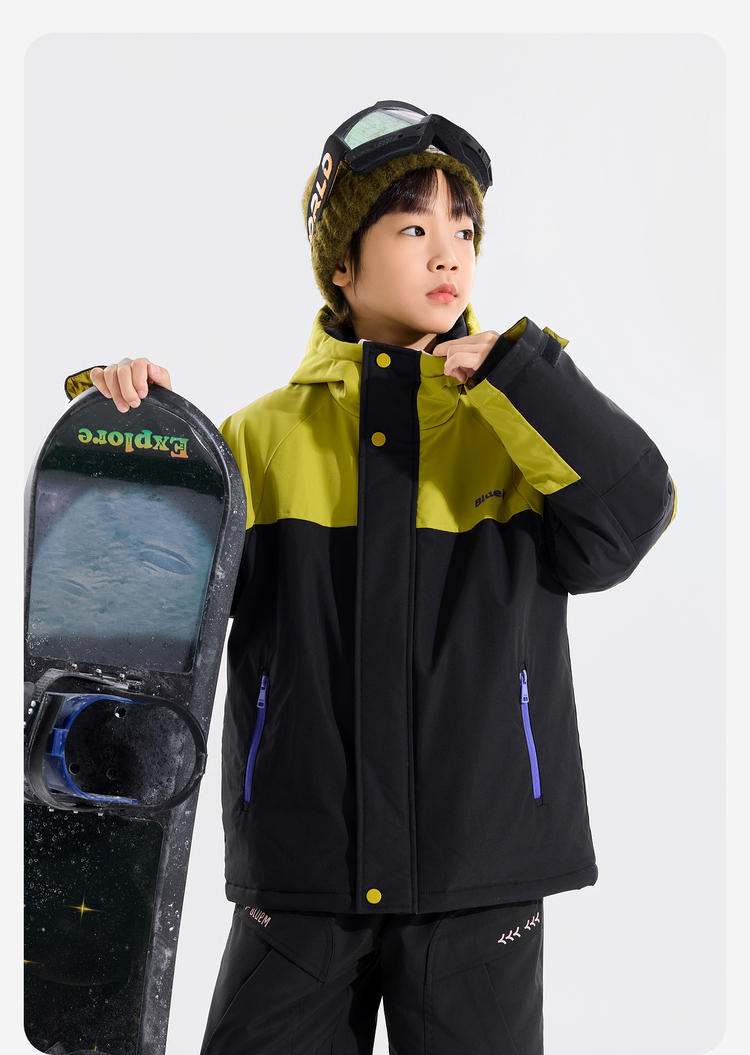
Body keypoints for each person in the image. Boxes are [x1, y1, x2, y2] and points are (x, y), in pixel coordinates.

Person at [79, 100, 675, 1054]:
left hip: (478, 875)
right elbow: (142, 613)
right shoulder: (260, 439)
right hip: (302, 873)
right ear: (342, 267)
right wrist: (138, 440)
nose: (448, 254)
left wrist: (528, 376)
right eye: (412, 227)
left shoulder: (519, 422)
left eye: (464, 230)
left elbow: (632, 519)